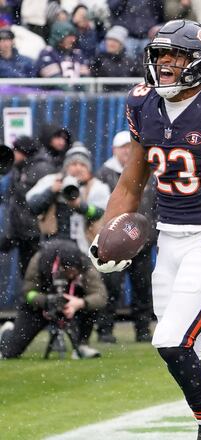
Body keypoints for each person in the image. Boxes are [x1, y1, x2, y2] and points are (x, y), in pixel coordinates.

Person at [89, 20, 201, 440]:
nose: (165, 63)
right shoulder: (142, 103)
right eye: (159, 55)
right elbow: (131, 182)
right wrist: (103, 236)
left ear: (199, 62)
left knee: (171, 341)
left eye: (176, 55)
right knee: (185, 353)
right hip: (168, 236)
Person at [94, 131, 155, 343]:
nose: (127, 151)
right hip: (115, 243)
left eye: (130, 147)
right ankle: (105, 330)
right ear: (114, 150)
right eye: (123, 148)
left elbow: (154, 206)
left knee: (143, 287)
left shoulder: (149, 172)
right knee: (110, 286)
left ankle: (143, 329)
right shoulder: (104, 173)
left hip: (143, 242)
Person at [0, 239, 106, 360]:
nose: (71, 276)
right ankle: (7, 332)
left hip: (72, 306)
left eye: (75, 272)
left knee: (93, 306)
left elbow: (101, 296)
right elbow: (27, 293)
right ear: (60, 265)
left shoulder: (86, 265)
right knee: (10, 353)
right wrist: (47, 301)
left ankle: (82, 344)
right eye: (68, 272)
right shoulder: (40, 260)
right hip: (40, 308)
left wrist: (80, 303)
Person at [25, 145, 110, 253]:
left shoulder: (97, 187)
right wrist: (51, 191)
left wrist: (81, 206)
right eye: (74, 164)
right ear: (66, 167)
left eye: (83, 165)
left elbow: (101, 213)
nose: (78, 168)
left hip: (83, 248)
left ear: (88, 169)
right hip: (50, 247)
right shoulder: (51, 180)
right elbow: (33, 206)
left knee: (93, 270)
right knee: (32, 270)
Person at [0, 137, 42, 278]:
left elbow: (29, 204)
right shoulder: (18, 169)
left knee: (34, 276)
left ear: (24, 152)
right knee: (27, 276)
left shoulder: (38, 169)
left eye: (15, 150)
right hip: (22, 234)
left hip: (33, 236)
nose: (12, 153)